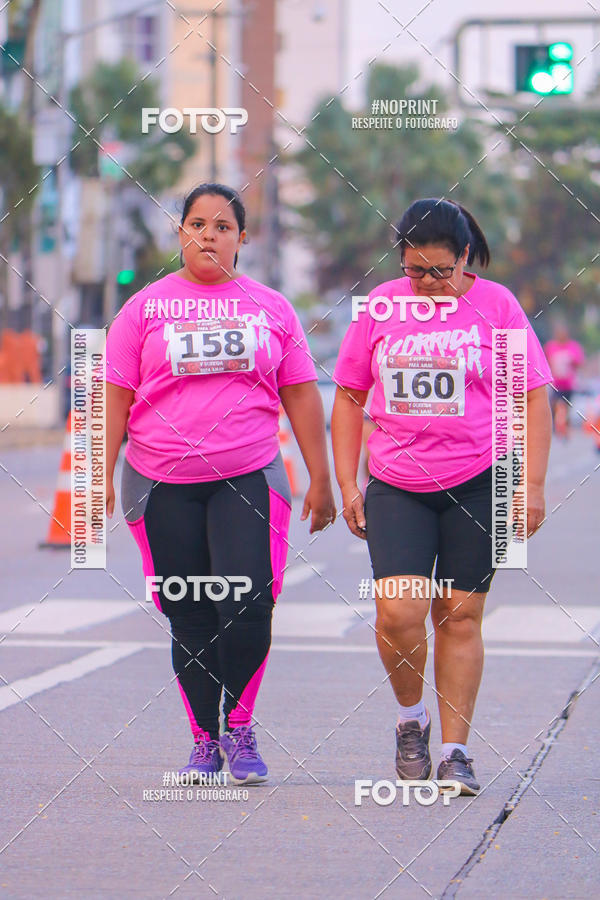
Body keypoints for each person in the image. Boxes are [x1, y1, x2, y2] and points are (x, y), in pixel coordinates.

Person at [105, 183, 335, 785]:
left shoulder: (272, 308)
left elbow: (302, 395)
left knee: (250, 603)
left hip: (249, 476)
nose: (208, 235)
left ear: (242, 238)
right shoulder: (143, 310)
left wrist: (322, 479)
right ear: (179, 232)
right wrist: (96, 476)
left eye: (223, 226)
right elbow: (114, 401)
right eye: (197, 223)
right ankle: (204, 740)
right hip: (160, 483)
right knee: (190, 613)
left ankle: (240, 723)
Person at [331, 198, 553, 795]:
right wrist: (348, 481)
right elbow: (350, 394)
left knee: (459, 615)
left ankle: (455, 751)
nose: (427, 283)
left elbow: (533, 396)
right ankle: (411, 721)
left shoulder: (497, 307)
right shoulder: (381, 306)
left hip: (480, 481)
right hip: (398, 482)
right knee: (398, 612)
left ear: (464, 259)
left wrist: (529, 485)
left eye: (439, 271)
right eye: (414, 270)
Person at [544, 324, 585, 439]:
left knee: (565, 407)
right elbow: (545, 362)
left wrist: (572, 362)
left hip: (569, 384)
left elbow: (580, 363)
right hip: (555, 384)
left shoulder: (573, 347)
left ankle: (564, 427)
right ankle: (557, 427)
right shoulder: (551, 347)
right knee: (557, 405)